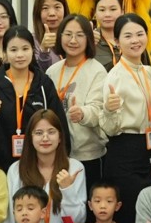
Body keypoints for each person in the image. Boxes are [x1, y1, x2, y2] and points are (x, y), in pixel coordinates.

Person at [100, 14, 151, 223]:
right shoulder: (114, 76)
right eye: (128, 36)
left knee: (149, 216)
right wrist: (109, 110)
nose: (135, 40)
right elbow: (110, 130)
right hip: (123, 154)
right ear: (117, 41)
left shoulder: (149, 72)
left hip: (146, 150)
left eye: (140, 34)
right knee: (129, 215)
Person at [0, 26, 71, 169]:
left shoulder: (43, 83)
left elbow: (59, 123)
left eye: (25, 49)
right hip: (1, 164)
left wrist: (64, 157)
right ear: (5, 53)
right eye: (13, 50)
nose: (20, 55)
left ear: (33, 51)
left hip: (40, 162)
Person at [46, 14, 109, 182]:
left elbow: (99, 110)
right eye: (68, 34)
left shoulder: (97, 71)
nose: (73, 40)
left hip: (88, 155)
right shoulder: (52, 71)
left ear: (89, 39)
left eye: (80, 35)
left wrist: (82, 113)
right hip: (55, 153)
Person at [31, 0, 69, 69]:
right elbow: (37, 73)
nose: (52, 13)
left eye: (57, 7)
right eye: (45, 8)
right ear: (38, 12)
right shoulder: (31, 41)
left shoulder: (73, 37)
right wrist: (44, 50)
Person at [91, 0, 127, 68]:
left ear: (122, 12)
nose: (107, 14)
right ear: (95, 13)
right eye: (102, 10)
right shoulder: (90, 42)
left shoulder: (133, 38)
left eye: (113, 9)